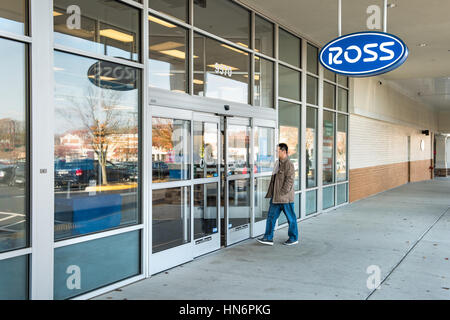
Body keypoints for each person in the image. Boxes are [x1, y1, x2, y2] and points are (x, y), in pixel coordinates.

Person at [257, 143, 299, 246]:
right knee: (271, 217)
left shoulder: (289, 164)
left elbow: (289, 181)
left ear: (284, 152)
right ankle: (268, 238)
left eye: (277, 151)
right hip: (276, 198)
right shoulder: (277, 163)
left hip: (285, 199)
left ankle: (293, 238)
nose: (276, 153)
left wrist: (282, 193)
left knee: (291, 219)